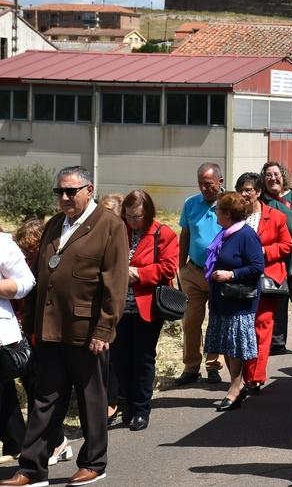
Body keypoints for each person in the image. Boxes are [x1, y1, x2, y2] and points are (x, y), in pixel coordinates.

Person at [2, 166, 128, 487]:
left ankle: (94, 463)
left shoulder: (109, 225)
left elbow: (115, 284)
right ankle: (32, 469)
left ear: (90, 189)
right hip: (50, 329)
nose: (65, 197)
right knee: (44, 399)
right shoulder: (55, 224)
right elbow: (42, 276)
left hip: (87, 331)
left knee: (92, 399)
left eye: (71, 191)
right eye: (59, 192)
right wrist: (29, 322)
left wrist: (104, 330)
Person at [109, 190, 179, 432]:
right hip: (118, 305)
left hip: (146, 306)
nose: (132, 221)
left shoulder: (164, 233)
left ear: (148, 213)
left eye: (137, 216)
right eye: (128, 216)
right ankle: (127, 401)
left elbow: (169, 268)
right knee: (119, 358)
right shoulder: (120, 230)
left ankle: (141, 409)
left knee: (142, 358)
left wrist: (138, 273)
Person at [10, 222, 72, 468]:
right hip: (22, 334)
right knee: (32, 389)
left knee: (42, 391)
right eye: (23, 249)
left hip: (45, 335)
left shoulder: (52, 263)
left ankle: (56, 443)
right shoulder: (21, 266)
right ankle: (57, 441)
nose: (28, 253)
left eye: (32, 247)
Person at [204, 191, 265, 412]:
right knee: (226, 344)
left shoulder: (246, 235)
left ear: (227, 213)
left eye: (217, 209)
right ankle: (237, 386)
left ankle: (234, 388)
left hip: (238, 300)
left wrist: (231, 274)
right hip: (222, 298)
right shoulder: (225, 233)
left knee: (234, 345)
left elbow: (257, 267)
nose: (215, 213)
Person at [235, 173, 292, 394]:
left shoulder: (276, 217)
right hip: (241, 279)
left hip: (267, 279)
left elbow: (287, 245)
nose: (243, 194)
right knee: (243, 328)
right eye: (240, 189)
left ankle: (255, 377)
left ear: (259, 192)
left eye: (248, 189)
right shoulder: (236, 216)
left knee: (261, 327)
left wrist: (263, 251)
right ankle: (245, 375)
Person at [174, 163, 224, 386]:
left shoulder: (229, 204)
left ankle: (214, 366)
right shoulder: (190, 204)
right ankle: (191, 367)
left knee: (217, 321)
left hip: (220, 275)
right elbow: (185, 235)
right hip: (193, 271)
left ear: (220, 182)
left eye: (209, 183)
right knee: (191, 322)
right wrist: (181, 265)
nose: (204, 188)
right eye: (200, 183)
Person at [0, 231, 35, 466]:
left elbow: (26, 282)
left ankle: (19, 444)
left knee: (3, 391)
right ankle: (15, 443)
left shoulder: (2, 243)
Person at [260, 161, 292, 355]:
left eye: (276, 174)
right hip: (274, 259)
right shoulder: (261, 201)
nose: (273, 178)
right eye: (268, 175)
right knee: (278, 300)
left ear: (283, 176)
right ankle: (277, 342)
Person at [97, 194, 124, 426]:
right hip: (100, 303)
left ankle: (113, 401)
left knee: (116, 356)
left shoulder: (122, 232)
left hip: (124, 304)